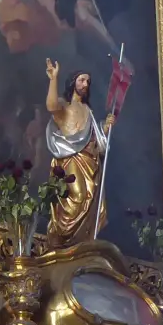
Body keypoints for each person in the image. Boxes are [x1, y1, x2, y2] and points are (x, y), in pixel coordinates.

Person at [43, 58, 115, 246]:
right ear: (73, 81)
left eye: (88, 82)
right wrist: (53, 78)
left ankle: (82, 243)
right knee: (78, 197)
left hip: (89, 161)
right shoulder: (64, 105)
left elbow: (95, 138)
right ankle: (64, 240)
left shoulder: (88, 110)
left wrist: (105, 128)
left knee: (90, 201)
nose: (85, 84)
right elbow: (51, 106)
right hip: (70, 160)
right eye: (82, 80)